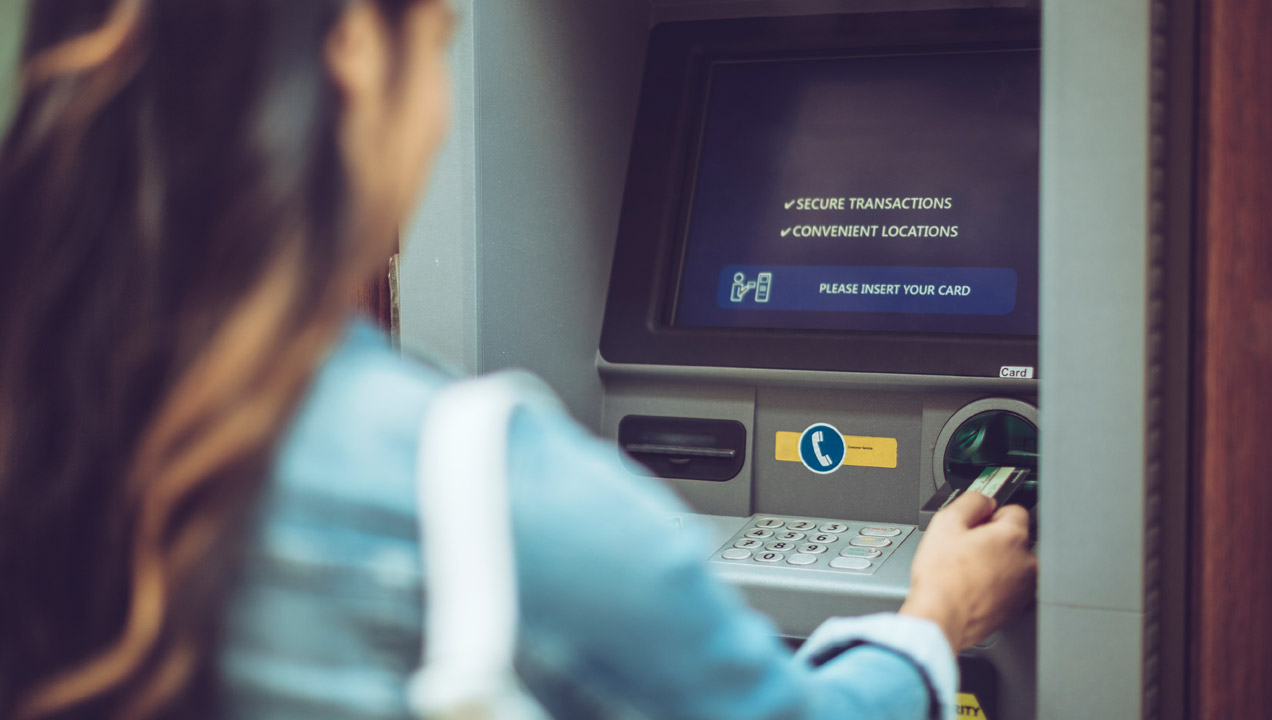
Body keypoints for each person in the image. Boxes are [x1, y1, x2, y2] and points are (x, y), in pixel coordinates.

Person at [0, 1, 1037, 719]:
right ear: (357, 47)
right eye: (440, 43)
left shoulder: (41, 410)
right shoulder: (483, 492)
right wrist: (936, 614)